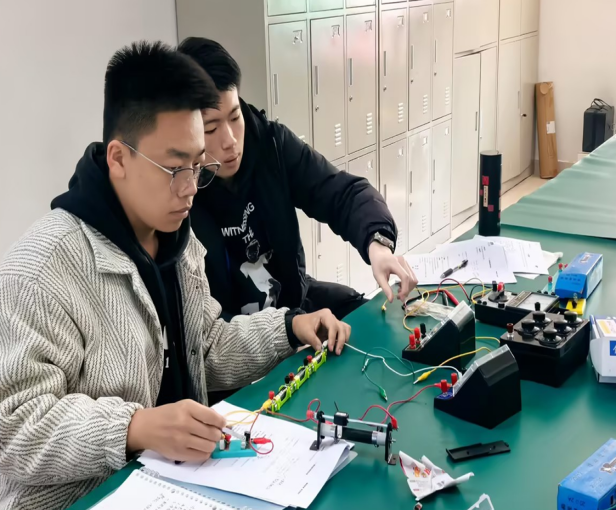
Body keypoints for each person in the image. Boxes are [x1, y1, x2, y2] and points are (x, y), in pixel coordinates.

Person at [0, 41, 350, 510]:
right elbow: (14, 425)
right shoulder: (41, 271)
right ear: (118, 158)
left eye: (197, 166)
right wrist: (134, 428)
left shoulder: (177, 242)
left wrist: (288, 328)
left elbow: (205, 347)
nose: (190, 189)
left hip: (178, 485)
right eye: (173, 168)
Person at [178, 37, 418, 322]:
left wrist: (377, 244)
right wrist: (289, 331)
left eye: (235, 116)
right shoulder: (179, 192)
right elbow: (203, 330)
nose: (230, 140)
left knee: (368, 317)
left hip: (295, 305)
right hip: (239, 336)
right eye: (211, 128)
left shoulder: (271, 145)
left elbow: (341, 193)